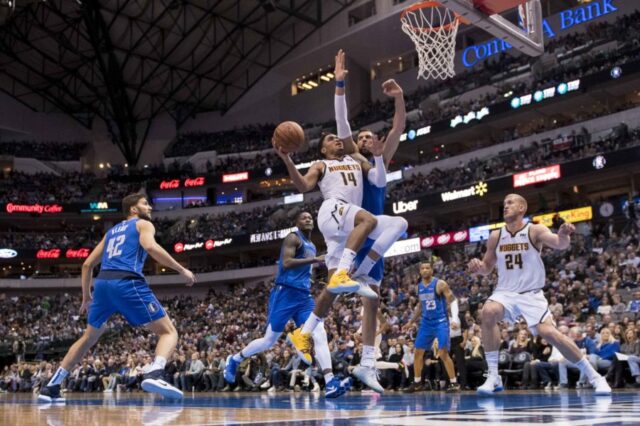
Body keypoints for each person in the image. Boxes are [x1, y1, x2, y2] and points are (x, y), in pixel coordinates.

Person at [274, 50, 407, 371]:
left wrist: (377, 154)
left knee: (397, 225)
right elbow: (341, 120)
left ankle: (305, 335)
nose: (355, 139)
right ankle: (353, 272)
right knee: (370, 221)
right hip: (342, 216)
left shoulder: (362, 160)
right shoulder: (331, 158)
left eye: (366, 136)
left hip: (354, 230)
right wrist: (338, 82)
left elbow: (380, 167)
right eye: (353, 137)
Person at [38, 193, 196, 403]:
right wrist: (181, 269)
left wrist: (86, 296)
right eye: (145, 204)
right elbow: (150, 247)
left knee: (89, 337)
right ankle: (155, 373)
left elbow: (87, 265)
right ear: (133, 209)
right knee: (169, 332)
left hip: (102, 285)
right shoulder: (143, 224)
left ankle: (52, 385)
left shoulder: (111, 232)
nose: (149, 207)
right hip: (126, 282)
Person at [468, 193, 611, 395]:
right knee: (488, 311)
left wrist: (563, 235)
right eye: (504, 203)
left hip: (530, 293)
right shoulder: (496, 236)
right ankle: (493, 376)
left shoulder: (534, 230)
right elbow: (487, 267)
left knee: (550, 333)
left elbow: (560, 244)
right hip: (505, 291)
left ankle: (594, 376)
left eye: (510, 203)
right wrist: (477, 267)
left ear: (522, 208)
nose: (505, 206)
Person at [224, 212, 350, 398]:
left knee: (319, 332)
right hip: (284, 293)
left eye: (310, 218)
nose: (308, 219)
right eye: (303, 217)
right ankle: (235, 359)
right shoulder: (293, 238)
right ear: (297, 223)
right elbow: (288, 262)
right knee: (269, 341)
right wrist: (316, 260)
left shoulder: (313, 246)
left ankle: (330, 381)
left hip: (303, 297)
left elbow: (304, 270)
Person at [402, 262, 460, 393]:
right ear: (419, 271)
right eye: (422, 268)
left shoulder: (440, 284)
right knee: (418, 352)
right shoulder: (419, 287)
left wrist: (455, 318)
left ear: (432, 270)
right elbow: (421, 307)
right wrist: (411, 322)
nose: (425, 270)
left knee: (443, 353)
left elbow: (453, 300)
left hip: (440, 322)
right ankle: (417, 383)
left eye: (427, 268)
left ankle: (454, 383)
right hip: (426, 323)